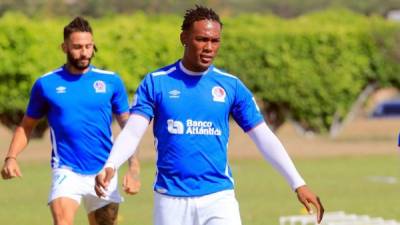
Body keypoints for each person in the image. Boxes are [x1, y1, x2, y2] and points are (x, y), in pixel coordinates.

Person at [95, 5, 324, 225]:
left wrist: (298, 183)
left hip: (218, 197)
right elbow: (133, 131)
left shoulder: (231, 86)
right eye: (202, 39)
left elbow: (264, 138)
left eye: (215, 41)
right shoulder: (157, 83)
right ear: (184, 38)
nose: (209, 47)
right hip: (170, 198)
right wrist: (111, 164)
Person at [1, 17, 141, 225]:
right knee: (63, 222)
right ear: (64, 47)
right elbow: (26, 126)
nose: (84, 52)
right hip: (66, 170)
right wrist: (11, 157)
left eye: (88, 46)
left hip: (105, 169)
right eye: (77, 47)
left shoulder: (111, 81)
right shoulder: (46, 84)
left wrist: (133, 169)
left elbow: (129, 129)